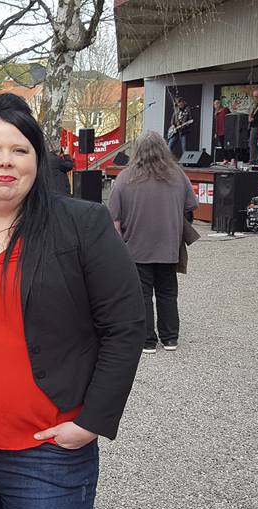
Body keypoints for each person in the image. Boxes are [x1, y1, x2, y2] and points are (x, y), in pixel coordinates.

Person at [0, 93, 145, 509]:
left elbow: (124, 325)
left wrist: (91, 421)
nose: (5, 162)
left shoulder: (81, 224)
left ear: (38, 160)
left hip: (44, 451)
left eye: (19, 150)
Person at [108, 130, 197, 354]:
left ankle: (147, 340)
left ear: (136, 150)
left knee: (142, 295)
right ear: (164, 149)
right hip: (169, 245)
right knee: (168, 293)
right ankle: (170, 338)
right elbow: (190, 206)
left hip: (136, 247)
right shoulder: (177, 175)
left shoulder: (124, 178)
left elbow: (115, 220)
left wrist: (119, 250)